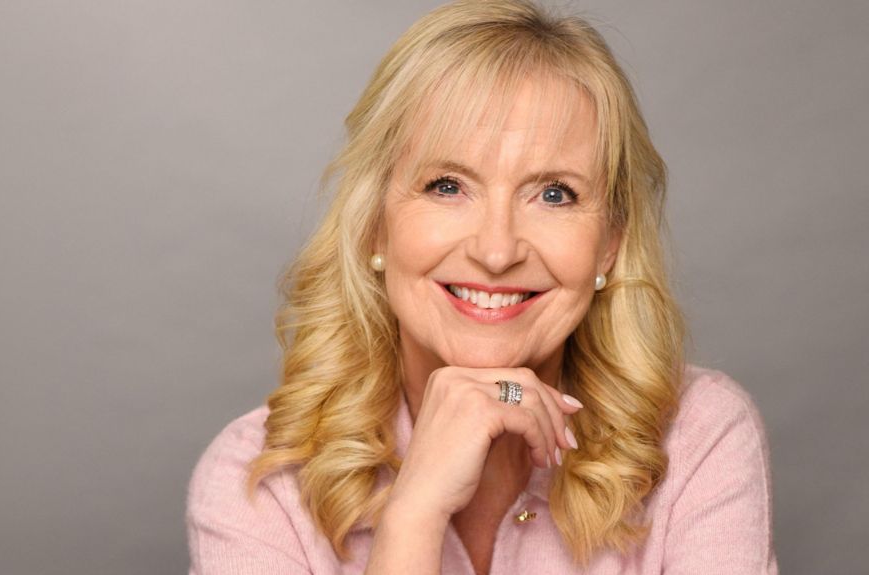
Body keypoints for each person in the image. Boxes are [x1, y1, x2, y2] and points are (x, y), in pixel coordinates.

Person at [186, 1, 778, 573]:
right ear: (374, 226)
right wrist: (412, 516)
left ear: (610, 243)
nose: (497, 252)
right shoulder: (258, 486)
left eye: (553, 194)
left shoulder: (697, 439)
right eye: (447, 186)